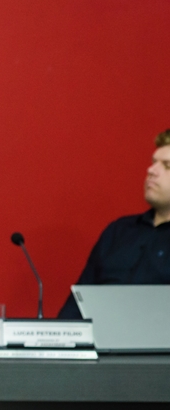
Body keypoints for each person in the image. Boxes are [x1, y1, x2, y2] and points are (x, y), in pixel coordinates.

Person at [58, 129, 170, 319]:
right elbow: (78, 305)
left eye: (167, 166)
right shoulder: (119, 231)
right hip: (100, 336)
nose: (151, 171)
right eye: (153, 162)